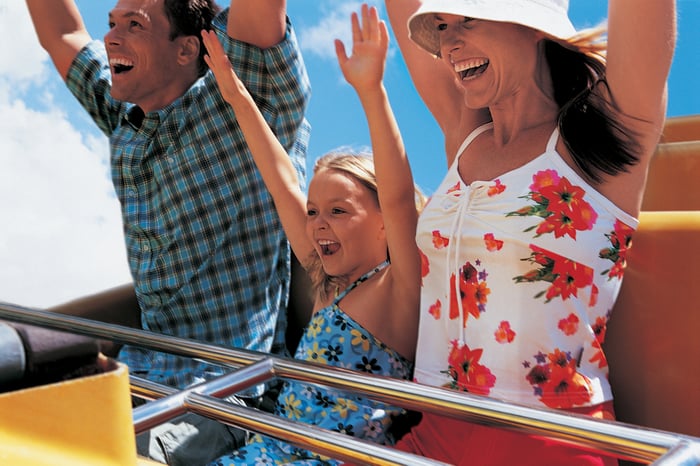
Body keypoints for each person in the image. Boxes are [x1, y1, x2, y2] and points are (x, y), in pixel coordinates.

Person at [376, 0, 676, 465]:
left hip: (551, 441)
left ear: (533, 25)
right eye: (442, 25)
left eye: (468, 20)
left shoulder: (600, 135)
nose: (450, 43)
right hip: (433, 428)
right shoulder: (468, 133)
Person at [24, 0, 311, 464]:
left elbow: (260, 14)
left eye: (134, 25)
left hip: (223, 397)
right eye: (112, 24)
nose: (111, 37)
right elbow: (61, 34)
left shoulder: (246, 95)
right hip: (136, 378)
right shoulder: (126, 111)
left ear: (186, 50)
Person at [201, 4, 423, 464]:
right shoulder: (327, 279)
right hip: (265, 452)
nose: (319, 223)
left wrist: (372, 91)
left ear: (382, 219)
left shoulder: (398, 288)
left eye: (339, 211)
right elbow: (282, 181)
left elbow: (400, 198)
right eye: (315, 211)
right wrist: (237, 95)